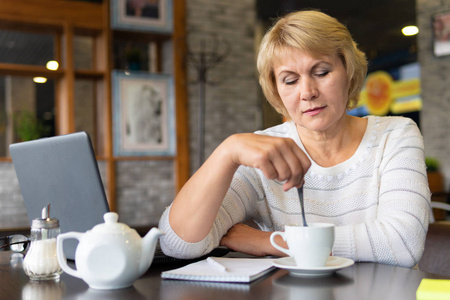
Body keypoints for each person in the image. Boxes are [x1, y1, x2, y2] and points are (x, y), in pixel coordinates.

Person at [158, 10, 430, 268]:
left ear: (348, 71)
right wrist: (226, 152)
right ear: (276, 89)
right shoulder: (263, 155)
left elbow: (403, 243)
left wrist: (270, 242)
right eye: (290, 80)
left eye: (321, 72)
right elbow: (178, 244)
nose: (307, 92)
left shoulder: (395, 134)